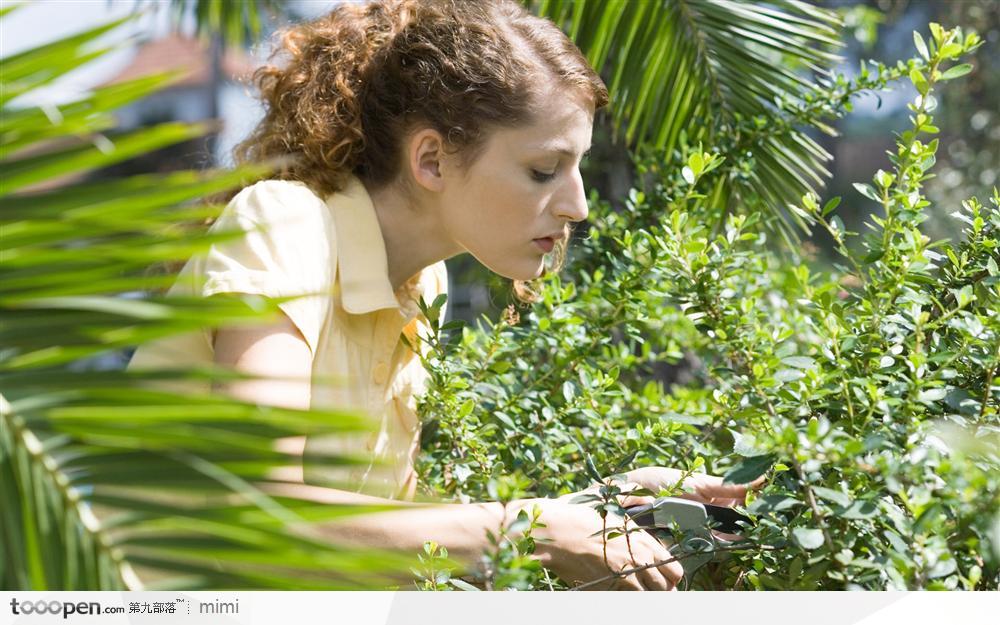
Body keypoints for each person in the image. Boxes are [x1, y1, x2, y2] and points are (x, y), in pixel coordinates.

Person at [128, 0, 759, 591]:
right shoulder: (287, 226)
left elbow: (381, 537)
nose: (578, 205)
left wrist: (593, 511)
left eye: (578, 167)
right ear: (431, 160)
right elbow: (258, 527)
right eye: (544, 170)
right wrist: (532, 529)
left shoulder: (422, 281)